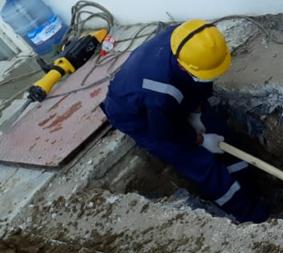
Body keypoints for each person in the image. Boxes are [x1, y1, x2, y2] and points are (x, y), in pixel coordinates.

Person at [102, 20, 267, 222]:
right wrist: (198, 139)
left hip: (169, 93)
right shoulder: (160, 95)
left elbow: (198, 84)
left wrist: (197, 115)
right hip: (137, 116)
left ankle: (251, 188)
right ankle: (251, 215)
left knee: (221, 132)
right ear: (183, 66)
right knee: (201, 163)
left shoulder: (187, 41)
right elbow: (165, 133)